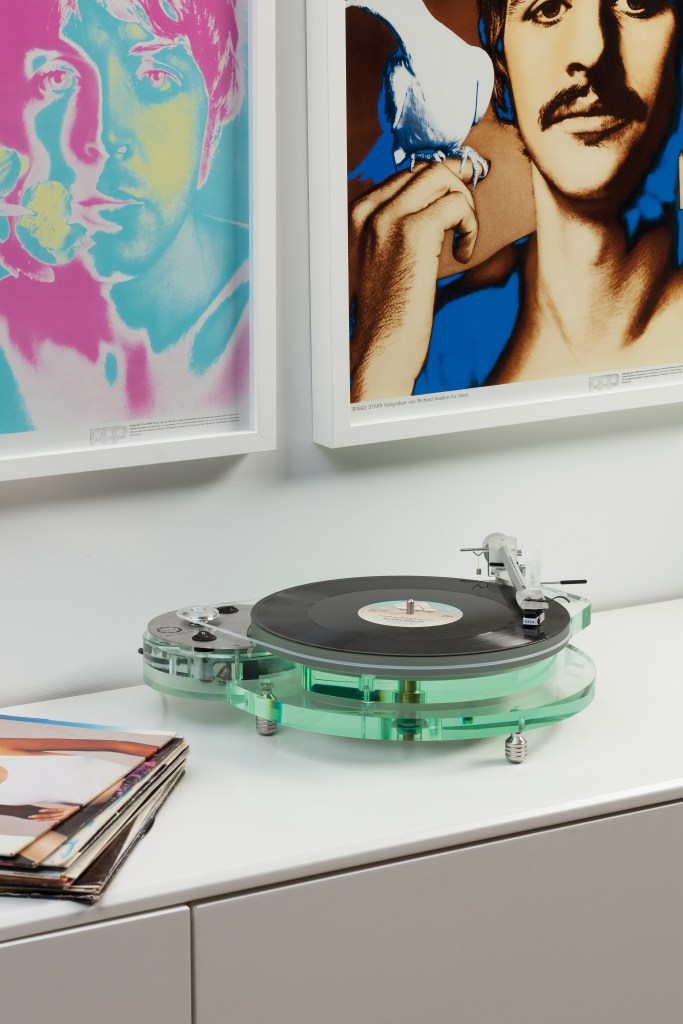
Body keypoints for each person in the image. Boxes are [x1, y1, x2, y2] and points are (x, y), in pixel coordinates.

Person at [349, 0, 683, 400]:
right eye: (549, 9)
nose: (592, 52)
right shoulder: (437, 345)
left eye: (636, 3)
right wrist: (381, 370)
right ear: (502, 73)